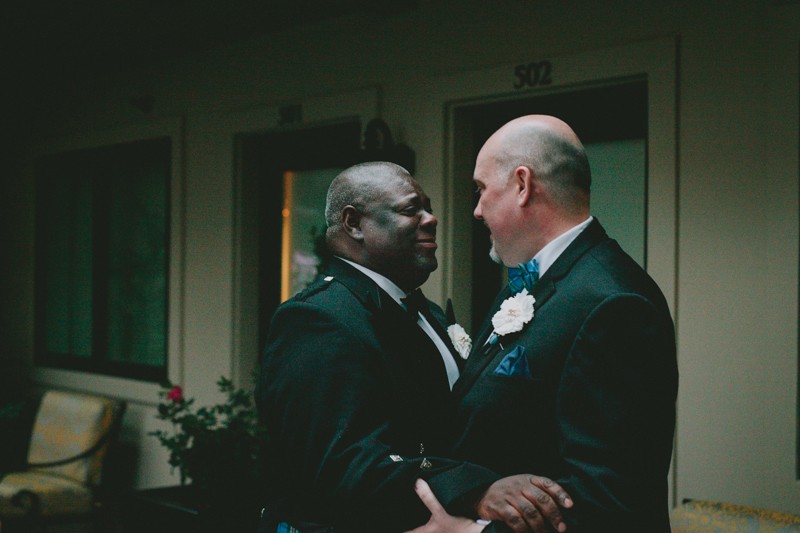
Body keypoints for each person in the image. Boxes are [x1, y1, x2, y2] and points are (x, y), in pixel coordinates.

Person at [255, 161, 572, 533]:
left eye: (429, 207)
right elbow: (341, 463)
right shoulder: (317, 319)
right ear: (354, 223)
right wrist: (473, 489)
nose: (431, 219)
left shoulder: (426, 312)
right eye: (410, 209)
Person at [419, 115, 678, 532]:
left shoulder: (615, 303)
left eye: (482, 190)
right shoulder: (528, 284)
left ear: (522, 185)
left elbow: (612, 499)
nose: (477, 210)